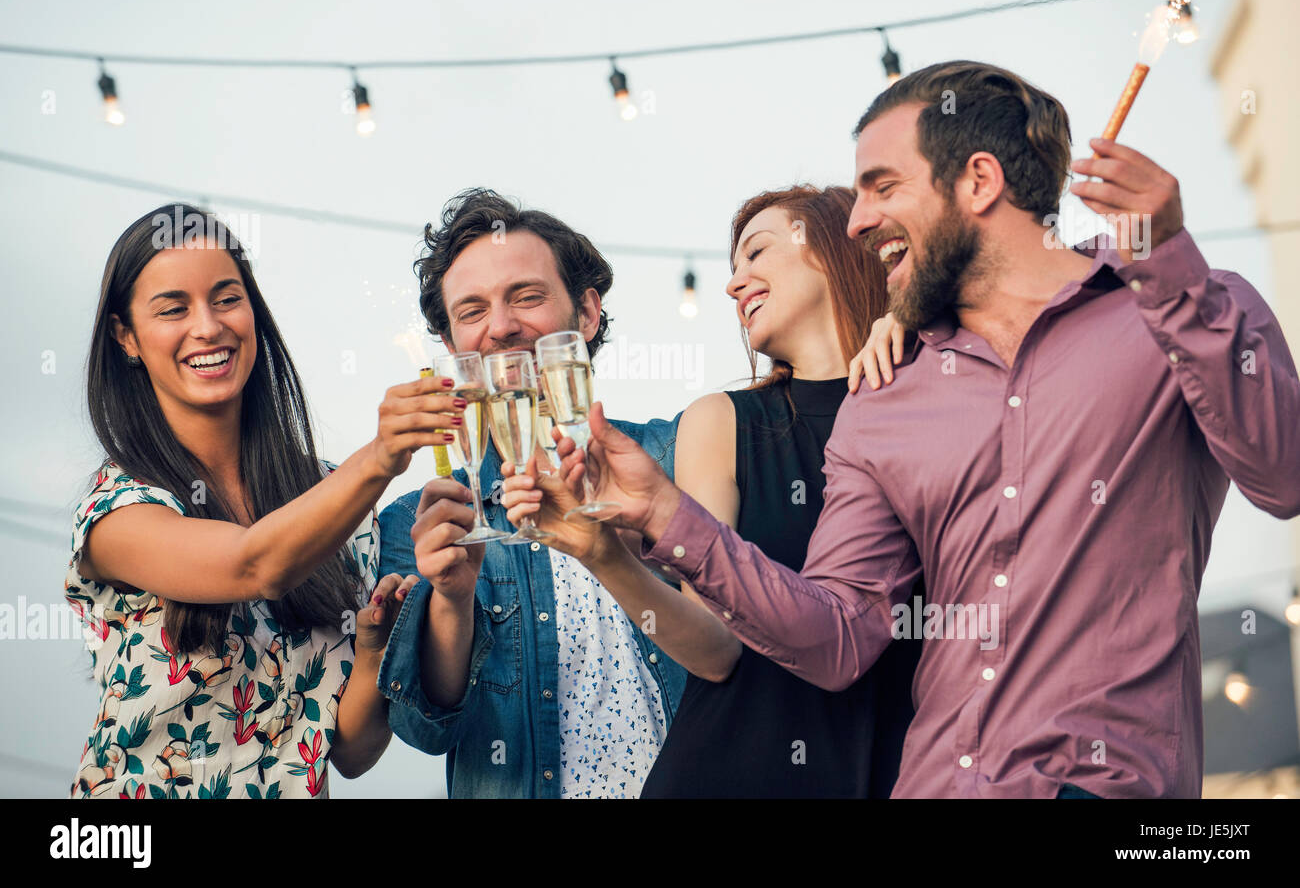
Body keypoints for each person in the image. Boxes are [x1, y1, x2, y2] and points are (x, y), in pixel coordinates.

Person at [540, 61, 1300, 798]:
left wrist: (1166, 261)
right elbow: (838, 638)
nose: (860, 217)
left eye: (882, 186)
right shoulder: (885, 396)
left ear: (978, 181)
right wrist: (669, 517)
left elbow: (1284, 472)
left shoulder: (1175, 310)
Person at [501, 185, 923, 797]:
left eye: (757, 253)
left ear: (838, 251)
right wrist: (604, 555)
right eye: (732, 268)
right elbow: (714, 651)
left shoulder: (932, 402)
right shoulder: (720, 422)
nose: (733, 284)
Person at [67, 204, 446, 798]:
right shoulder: (120, 506)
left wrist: (375, 650)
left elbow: (349, 751)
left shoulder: (335, 503)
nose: (208, 327)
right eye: (173, 309)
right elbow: (255, 564)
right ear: (126, 337)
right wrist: (380, 457)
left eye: (226, 298)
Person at [375, 189, 685, 798]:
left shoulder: (678, 455)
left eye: (527, 296)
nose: (501, 326)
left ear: (588, 314)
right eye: (471, 311)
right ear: (452, 347)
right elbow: (422, 727)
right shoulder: (419, 520)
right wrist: (452, 600)